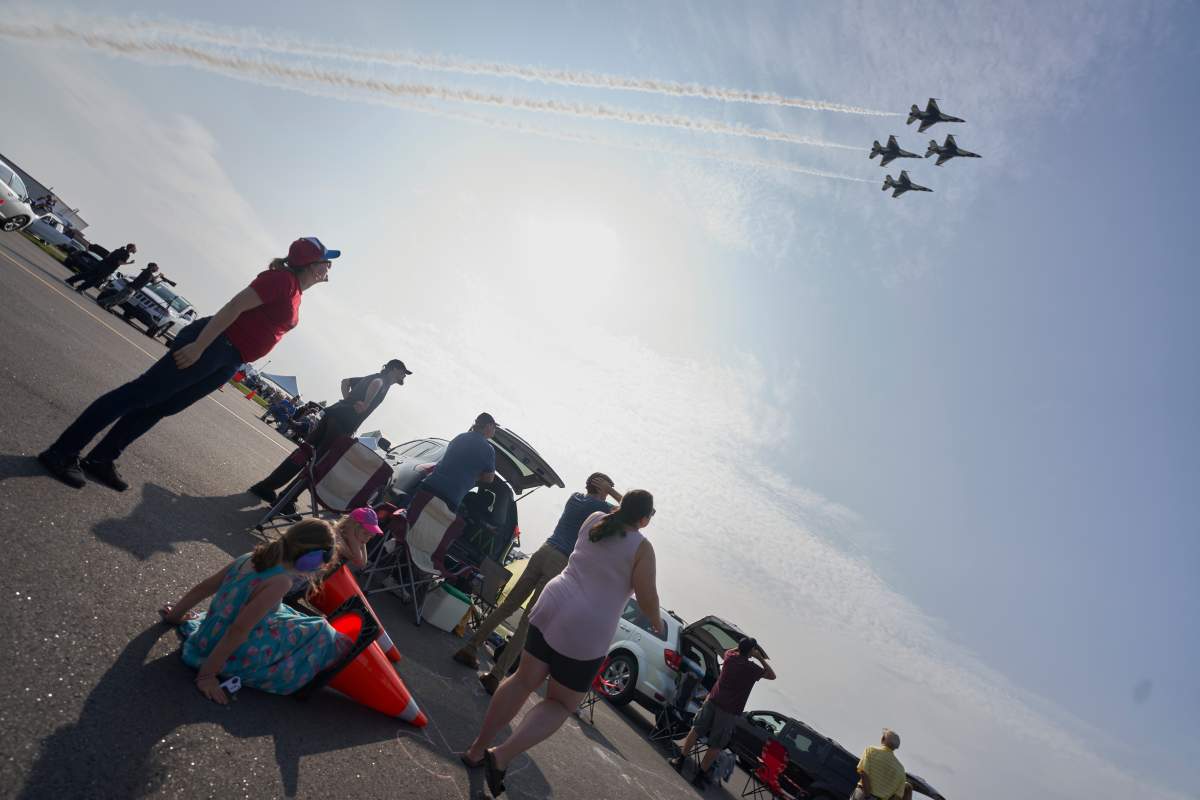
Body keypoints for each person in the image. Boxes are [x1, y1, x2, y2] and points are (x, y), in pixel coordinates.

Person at [38, 236, 339, 490]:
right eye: (326, 261)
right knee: (137, 395)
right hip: (214, 344)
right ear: (311, 266)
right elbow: (234, 306)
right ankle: (62, 452)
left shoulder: (295, 290)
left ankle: (102, 458)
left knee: (160, 406)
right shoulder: (281, 280)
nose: (329, 267)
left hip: (230, 358)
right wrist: (199, 346)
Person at [461, 490, 661, 797]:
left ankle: (476, 750)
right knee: (560, 703)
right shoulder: (642, 548)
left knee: (522, 680)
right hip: (586, 627)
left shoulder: (596, 519)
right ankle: (500, 755)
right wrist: (657, 622)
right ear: (644, 519)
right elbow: (647, 598)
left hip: (554, 601)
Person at [453, 472, 624, 694]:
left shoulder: (575, 498)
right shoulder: (599, 510)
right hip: (560, 561)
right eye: (609, 487)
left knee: (508, 606)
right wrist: (612, 492)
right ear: (602, 488)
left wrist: (604, 489)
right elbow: (631, 511)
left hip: (543, 551)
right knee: (529, 621)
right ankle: (495, 676)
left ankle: (470, 647)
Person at [158, 519, 355, 704]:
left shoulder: (249, 558)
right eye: (326, 557)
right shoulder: (281, 582)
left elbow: (204, 587)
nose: (324, 565)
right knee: (321, 631)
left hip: (208, 634)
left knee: (290, 613)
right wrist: (207, 675)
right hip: (225, 649)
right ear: (311, 557)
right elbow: (239, 629)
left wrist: (176, 616)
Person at [248, 359, 412, 504]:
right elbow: (376, 384)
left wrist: (347, 400)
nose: (404, 376)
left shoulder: (371, 376)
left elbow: (345, 382)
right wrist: (365, 403)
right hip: (343, 424)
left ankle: (266, 486)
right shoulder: (382, 381)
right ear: (394, 369)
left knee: (304, 452)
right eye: (403, 373)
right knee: (320, 462)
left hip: (334, 414)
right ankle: (287, 500)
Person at [670, 636, 776, 785]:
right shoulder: (752, 669)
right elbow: (772, 676)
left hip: (712, 701)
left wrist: (743, 649)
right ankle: (699, 777)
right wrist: (760, 658)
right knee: (716, 745)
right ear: (751, 651)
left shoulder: (730, 658)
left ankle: (679, 761)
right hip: (729, 711)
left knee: (696, 730)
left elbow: (728, 651)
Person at [402, 413, 498, 571]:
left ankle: (392, 559)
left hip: (428, 488)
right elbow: (489, 479)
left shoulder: (460, 437)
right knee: (428, 537)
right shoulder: (488, 449)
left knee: (410, 524)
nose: (494, 432)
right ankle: (408, 572)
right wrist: (473, 474)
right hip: (450, 498)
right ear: (488, 426)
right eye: (494, 428)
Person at [853, 729, 912, 800]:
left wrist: (868, 795)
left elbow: (863, 772)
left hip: (862, 795)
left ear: (883, 739)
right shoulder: (901, 770)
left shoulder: (871, 751)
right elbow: (897, 797)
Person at [65, 242, 136, 293]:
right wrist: (129, 263)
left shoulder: (119, 250)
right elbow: (119, 262)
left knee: (87, 274)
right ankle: (80, 288)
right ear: (131, 248)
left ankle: (70, 280)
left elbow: (108, 255)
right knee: (95, 280)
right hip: (107, 269)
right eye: (134, 248)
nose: (135, 249)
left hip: (102, 264)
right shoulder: (126, 255)